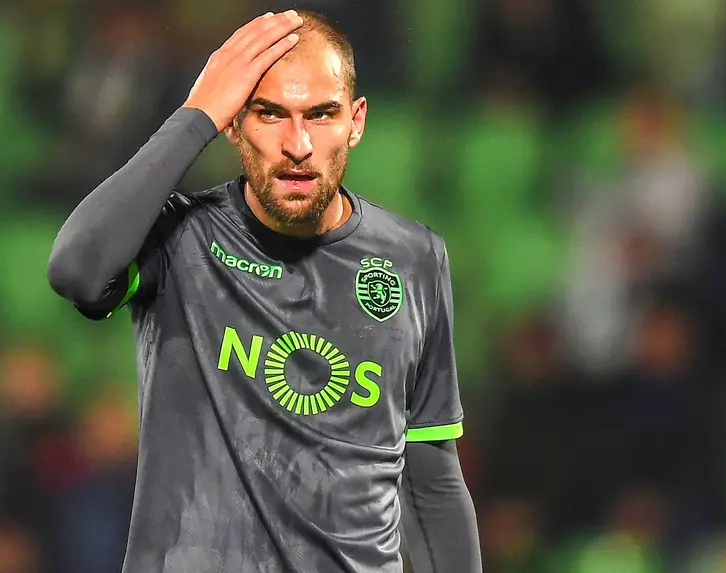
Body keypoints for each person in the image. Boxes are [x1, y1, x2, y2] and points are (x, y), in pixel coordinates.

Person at [47, 9, 481, 573]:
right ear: (232, 124)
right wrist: (195, 115)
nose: (297, 144)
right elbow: (77, 271)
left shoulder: (415, 258)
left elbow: (431, 480)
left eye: (321, 114)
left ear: (355, 121)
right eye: (270, 113)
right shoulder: (180, 240)